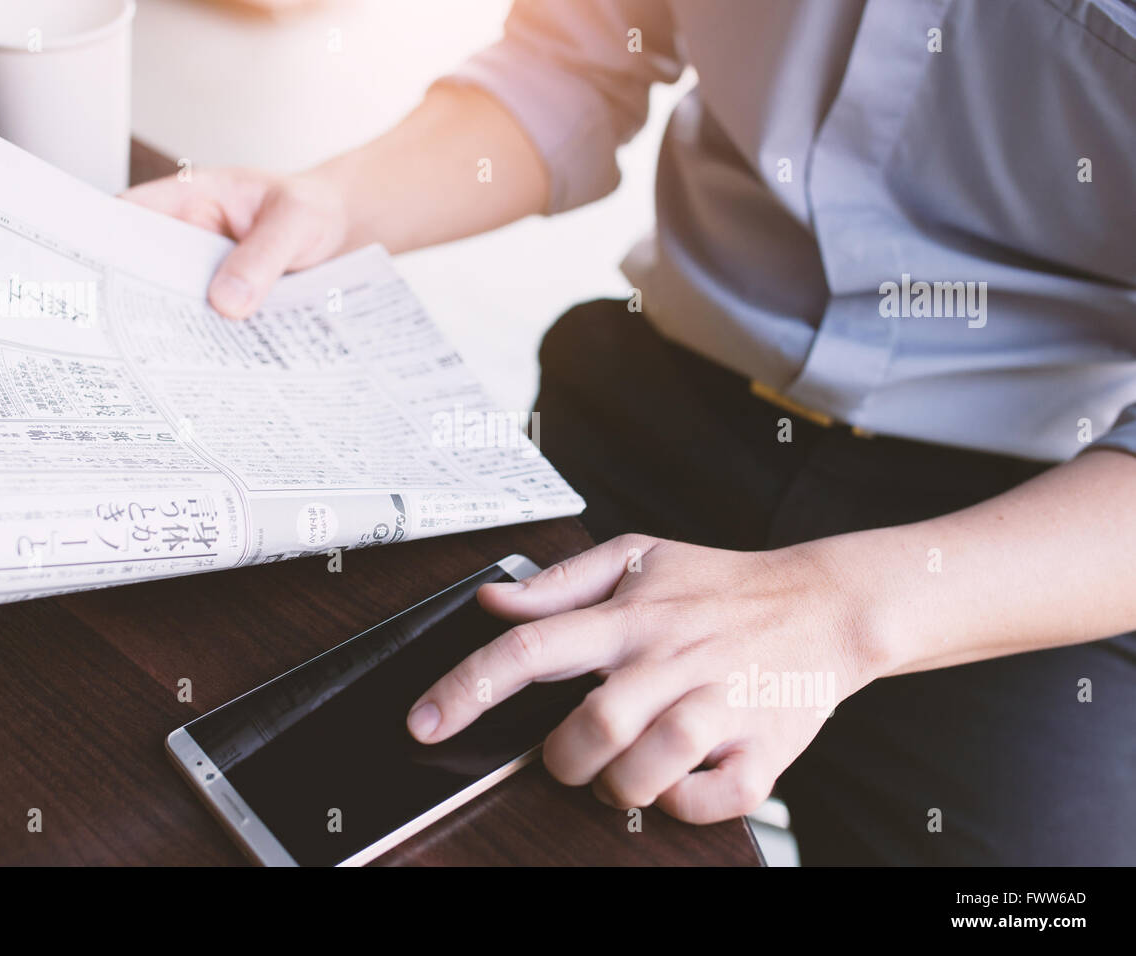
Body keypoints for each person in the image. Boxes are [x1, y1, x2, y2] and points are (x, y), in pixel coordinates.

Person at [126, 0, 1136, 864]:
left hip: (1033, 532)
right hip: (659, 404)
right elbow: (576, 60)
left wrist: (840, 611)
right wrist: (336, 201)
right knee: (308, 724)